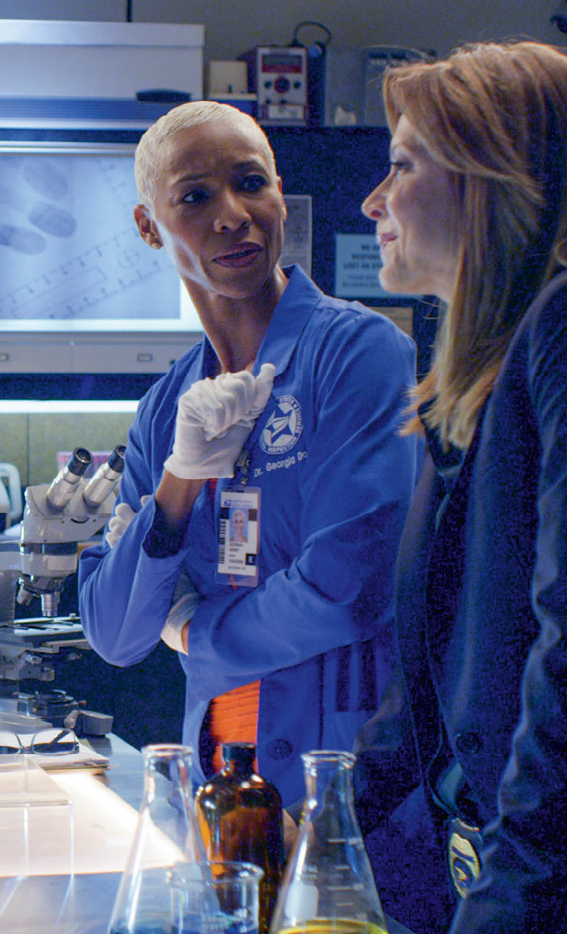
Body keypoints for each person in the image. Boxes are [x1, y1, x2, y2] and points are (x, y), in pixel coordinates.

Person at [352, 41, 567, 934]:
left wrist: (502, 921)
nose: (374, 201)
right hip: (485, 882)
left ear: (491, 181)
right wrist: (320, 826)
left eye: (402, 166)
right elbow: (430, 681)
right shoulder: (476, 381)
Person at [77, 100, 421, 805]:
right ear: (149, 227)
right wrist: (178, 482)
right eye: (196, 197)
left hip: (346, 779)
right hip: (222, 779)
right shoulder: (166, 407)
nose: (232, 213)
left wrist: (193, 630)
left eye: (251, 183)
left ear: (280, 198)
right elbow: (115, 634)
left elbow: (346, 587)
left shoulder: (356, 352)